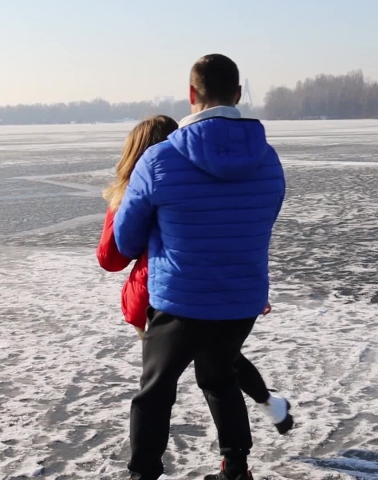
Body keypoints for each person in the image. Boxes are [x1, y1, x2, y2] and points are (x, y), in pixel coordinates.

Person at [113, 54, 286, 480]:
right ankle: (236, 469)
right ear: (238, 94)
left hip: (180, 300)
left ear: (192, 95)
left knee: (155, 392)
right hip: (241, 300)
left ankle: (143, 475)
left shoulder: (158, 160)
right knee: (220, 378)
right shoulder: (268, 161)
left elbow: (125, 240)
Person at [96, 115, 293, 433]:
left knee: (169, 385)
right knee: (222, 364)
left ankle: (148, 466)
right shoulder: (190, 178)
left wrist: (119, 204)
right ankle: (261, 421)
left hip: (161, 299)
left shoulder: (139, 189)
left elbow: (110, 257)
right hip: (210, 291)